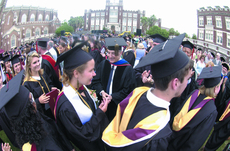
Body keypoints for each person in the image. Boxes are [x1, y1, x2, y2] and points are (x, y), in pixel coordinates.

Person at [102, 33, 193, 151]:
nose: (187, 83)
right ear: (175, 83)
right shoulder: (160, 132)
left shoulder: (137, 93)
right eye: (187, 79)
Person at [54, 42, 110, 151]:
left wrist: (99, 109)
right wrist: (99, 113)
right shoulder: (66, 107)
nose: (94, 74)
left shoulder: (81, 88)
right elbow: (83, 136)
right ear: (76, 74)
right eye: (91, 70)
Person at [0, 71, 74, 151]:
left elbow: (56, 129)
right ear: (30, 108)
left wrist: (70, 147)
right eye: (31, 100)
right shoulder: (33, 148)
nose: (35, 102)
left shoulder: (37, 117)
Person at [168, 66, 222, 151]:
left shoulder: (194, 93)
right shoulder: (211, 111)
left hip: (170, 139)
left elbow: (178, 112)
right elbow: (197, 140)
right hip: (183, 147)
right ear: (216, 88)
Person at [91, 37, 136, 121]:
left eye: (113, 54)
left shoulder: (127, 68)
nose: (110, 56)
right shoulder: (104, 64)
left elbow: (129, 90)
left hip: (118, 105)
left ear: (120, 53)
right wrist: (102, 92)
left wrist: (112, 97)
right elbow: (96, 80)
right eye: (109, 53)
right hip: (102, 103)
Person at [23, 51, 58, 119]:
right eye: (34, 62)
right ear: (29, 65)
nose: (38, 64)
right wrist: (38, 101)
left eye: (38, 61)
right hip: (43, 115)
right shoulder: (27, 84)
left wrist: (51, 88)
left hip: (52, 109)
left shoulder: (43, 74)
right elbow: (28, 105)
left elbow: (49, 84)